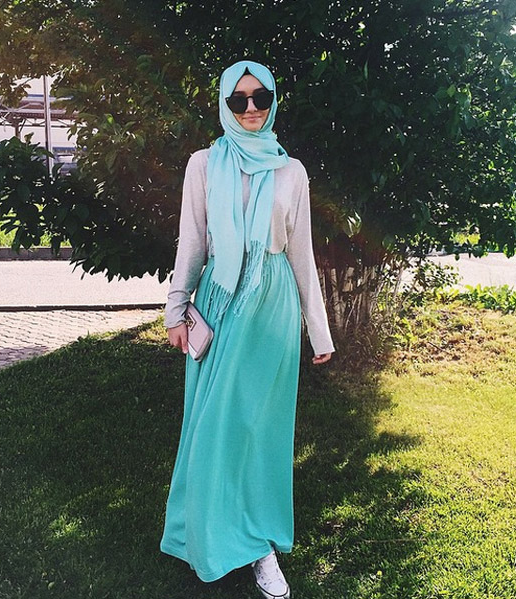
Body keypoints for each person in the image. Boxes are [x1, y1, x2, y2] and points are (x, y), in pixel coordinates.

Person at [161, 60, 335, 599]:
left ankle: (260, 547)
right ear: (224, 105)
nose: (252, 108)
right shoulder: (202, 164)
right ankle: (209, 535)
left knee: (259, 431)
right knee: (213, 424)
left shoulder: (292, 172)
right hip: (218, 301)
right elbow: (192, 242)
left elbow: (302, 254)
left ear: (273, 100)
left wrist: (319, 332)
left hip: (271, 309)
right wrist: (175, 309)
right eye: (239, 100)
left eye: (261, 97)